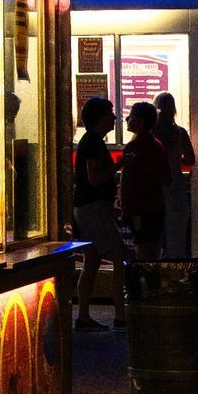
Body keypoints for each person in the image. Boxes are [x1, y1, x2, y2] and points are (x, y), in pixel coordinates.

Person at [70, 97, 126, 330]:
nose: (114, 117)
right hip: (93, 209)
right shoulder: (93, 142)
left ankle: (83, 317)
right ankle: (120, 315)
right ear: (100, 117)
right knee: (120, 256)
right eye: (110, 113)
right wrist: (119, 164)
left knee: (91, 262)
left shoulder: (90, 141)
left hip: (86, 208)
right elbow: (95, 179)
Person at [118, 102, 170, 256]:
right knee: (152, 248)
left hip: (138, 209)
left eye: (131, 116)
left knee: (141, 247)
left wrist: (125, 207)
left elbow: (126, 181)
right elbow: (166, 178)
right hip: (156, 207)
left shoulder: (133, 147)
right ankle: (152, 277)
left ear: (140, 122)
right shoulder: (158, 146)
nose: (127, 119)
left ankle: (144, 277)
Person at [153, 91, 195, 260]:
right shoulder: (180, 132)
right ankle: (177, 268)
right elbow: (191, 159)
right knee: (176, 232)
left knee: (156, 232)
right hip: (175, 183)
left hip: (156, 185)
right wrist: (176, 159)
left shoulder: (151, 134)